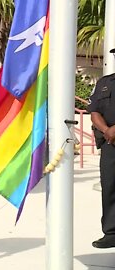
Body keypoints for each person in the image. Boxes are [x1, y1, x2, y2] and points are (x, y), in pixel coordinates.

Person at [88, 52, 115, 248]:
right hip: (110, 143)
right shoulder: (105, 82)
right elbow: (94, 111)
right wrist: (107, 130)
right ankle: (111, 232)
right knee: (110, 187)